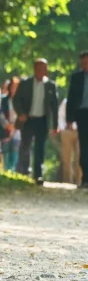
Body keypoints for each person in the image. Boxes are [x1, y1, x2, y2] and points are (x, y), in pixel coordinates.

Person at [13, 58, 58, 185]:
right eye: (39, 68)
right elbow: (16, 100)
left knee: (40, 148)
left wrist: (55, 125)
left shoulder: (50, 85)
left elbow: (54, 106)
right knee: (25, 146)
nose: (42, 71)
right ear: (34, 69)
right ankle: (24, 171)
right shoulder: (25, 83)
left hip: (42, 121)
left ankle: (38, 175)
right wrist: (21, 113)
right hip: (28, 119)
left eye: (44, 68)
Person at [66, 50, 88, 188]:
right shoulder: (76, 77)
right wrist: (69, 119)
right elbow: (71, 97)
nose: (84, 65)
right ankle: (85, 178)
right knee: (84, 146)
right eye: (83, 62)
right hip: (82, 114)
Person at [0, 76, 21, 172]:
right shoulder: (4, 100)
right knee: (6, 150)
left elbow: (22, 116)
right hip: (5, 129)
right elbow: (1, 114)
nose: (13, 89)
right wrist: (7, 125)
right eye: (12, 86)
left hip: (17, 130)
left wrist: (15, 127)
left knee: (15, 151)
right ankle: (6, 170)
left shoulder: (21, 101)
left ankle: (13, 171)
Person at [58, 98, 81, 185]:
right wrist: (64, 128)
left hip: (80, 132)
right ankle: (67, 181)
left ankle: (80, 181)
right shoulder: (66, 102)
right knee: (66, 158)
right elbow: (60, 116)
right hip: (67, 132)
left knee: (80, 158)